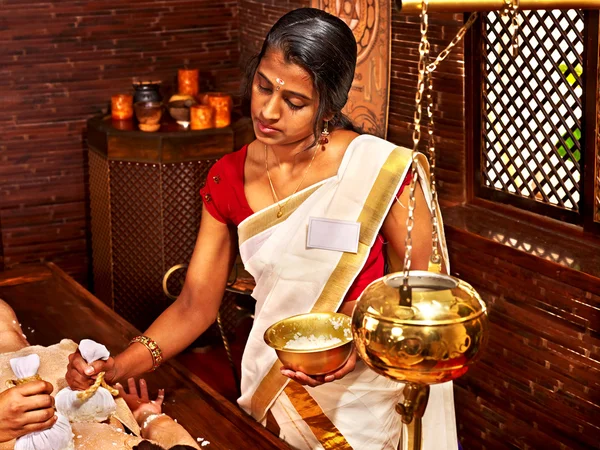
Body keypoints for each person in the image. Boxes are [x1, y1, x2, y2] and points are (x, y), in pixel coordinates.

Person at [66, 8, 456, 449]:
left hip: (362, 393)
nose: (269, 111)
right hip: (275, 384)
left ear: (328, 105)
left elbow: (420, 296)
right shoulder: (227, 177)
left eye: (294, 102)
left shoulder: (380, 170)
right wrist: (119, 366)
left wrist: (360, 346)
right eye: (263, 86)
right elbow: (196, 303)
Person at [0, 299, 200, 449]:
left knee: (9, 338)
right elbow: (181, 443)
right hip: (81, 395)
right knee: (10, 335)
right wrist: (148, 416)